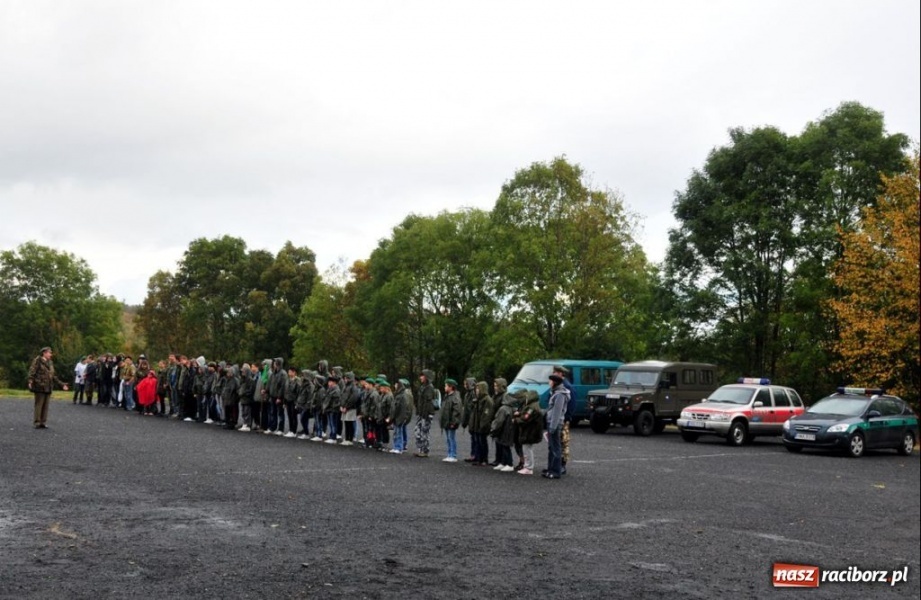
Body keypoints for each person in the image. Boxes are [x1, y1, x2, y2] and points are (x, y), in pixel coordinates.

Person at [27, 346, 69, 428]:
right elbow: (32, 371)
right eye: (49, 352)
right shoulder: (38, 360)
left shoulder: (50, 362)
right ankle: (37, 422)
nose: (51, 354)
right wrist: (30, 381)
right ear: (44, 353)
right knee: (39, 405)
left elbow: (53, 376)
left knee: (45, 406)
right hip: (39, 386)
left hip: (48, 386)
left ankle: (43, 422)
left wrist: (62, 384)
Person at [542, 373, 570, 479]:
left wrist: (553, 426)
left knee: (556, 448)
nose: (549, 383)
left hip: (555, 424)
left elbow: (557, 412)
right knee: (551, 447)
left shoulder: (560, 395)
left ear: (554, 382)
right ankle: (550, 468)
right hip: (551, 423)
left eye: (550, 381)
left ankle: (556, 471)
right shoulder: (555, 392)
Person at [553, 365, 576, 475]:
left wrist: (567, 417)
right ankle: (557, 463)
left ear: (561, 374)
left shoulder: (567, 387)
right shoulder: (558, 385)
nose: (554, 374)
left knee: (563, 441)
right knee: (558, 441)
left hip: (563, 418)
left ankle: (563, 464)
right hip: (558, 417)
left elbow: (571, 404)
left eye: (556, 372)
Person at [514, 390, 543, 475]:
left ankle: (528, 467)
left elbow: (525, 419)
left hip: (530, 432)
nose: (526, 398)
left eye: (527, 397)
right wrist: (520, 414)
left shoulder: (531, 408)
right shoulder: (534, 406)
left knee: (527, 449)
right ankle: (528, 466)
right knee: (528, 448)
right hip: (531, 431)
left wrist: (516, 420)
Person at [469, 381, 494, 466]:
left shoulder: (487, 400)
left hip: (482, 426)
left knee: (483, 443)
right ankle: (479, 458)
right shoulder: (478, 399)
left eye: (478, 388)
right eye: (476, 388)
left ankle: (484, 459)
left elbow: (486, 415)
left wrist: (482, 426)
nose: (476, 390)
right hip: (477, 426)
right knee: (478, 442)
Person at [413, 369, 437, 457]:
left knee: (424, 432)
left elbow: (427, 402)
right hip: (421, 413)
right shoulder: (423, 387)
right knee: (417, 431)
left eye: (422, 376)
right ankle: (420, 449)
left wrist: (425, 414)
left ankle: (425, 450)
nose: (420, 377)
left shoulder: (429, 387)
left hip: (426, 414)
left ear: (426, 377)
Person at [439, 378, 463, 462]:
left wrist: (454, 422)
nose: (444, 387)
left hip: (451, 422)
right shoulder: (447, 396)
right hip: (446, 421)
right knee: (448, 438)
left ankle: (453, 455)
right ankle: (449, 454)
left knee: (451, 438)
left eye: (446, 386)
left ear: (451, 387)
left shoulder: (455, 397)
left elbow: (457, 411)